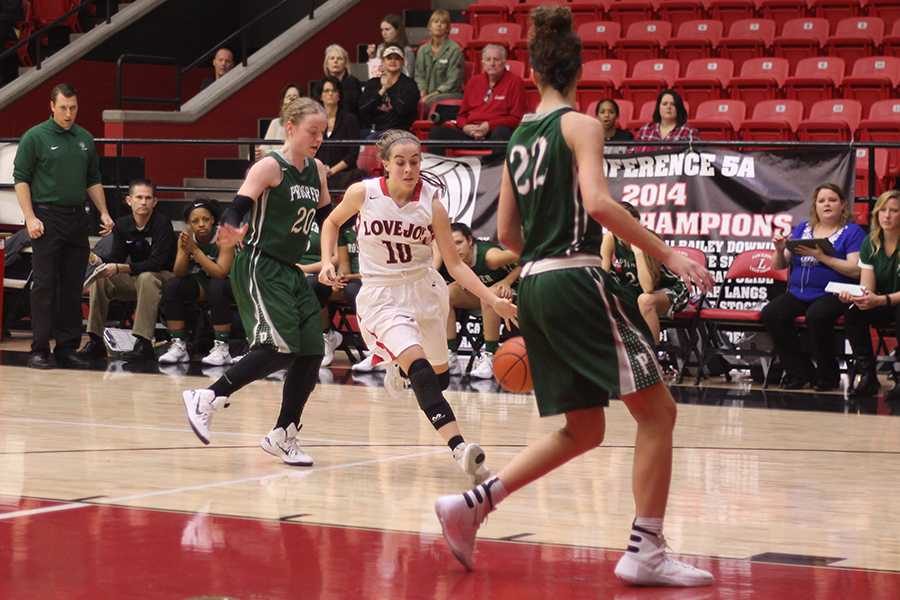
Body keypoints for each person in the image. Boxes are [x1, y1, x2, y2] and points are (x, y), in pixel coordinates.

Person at [434, 7, 715, 588]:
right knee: (658, 412)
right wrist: (671, 255)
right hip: (574, 274)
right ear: (577, 73)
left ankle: (474, 504)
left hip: (533, 280)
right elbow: (600, 204)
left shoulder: (517, 138)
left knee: (585, 428)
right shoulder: (581, 126)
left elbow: (507, 236)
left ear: (533, 75)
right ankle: (647, 548)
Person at [318, 129, 518, 484]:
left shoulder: (432, 204)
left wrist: (492, 300)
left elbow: (456, 266)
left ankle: (399, 367)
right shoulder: (363, 193)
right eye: (401, 162)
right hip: (382, 295)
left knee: (437, 377)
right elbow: (332, 222)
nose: (409, 169)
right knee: (422, 369)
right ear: (385, 165)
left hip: (425, 291)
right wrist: (327, 260)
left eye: (415, 161)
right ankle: (460, 448)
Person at [181, 97, 332, 467]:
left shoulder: (318, 171)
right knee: (279, 348)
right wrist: (229, 232)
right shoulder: (269, 166)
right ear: (291, 127)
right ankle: (208, 397)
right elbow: (236, 207)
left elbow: (329, 217)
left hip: (292, 269)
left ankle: (284, 433)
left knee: (311, 350)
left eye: (323, 133)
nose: (318, 139)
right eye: (313, 131)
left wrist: (333, 257)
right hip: (260, 265)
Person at [13, 83, 114, 369]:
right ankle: (40, 348)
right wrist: (30, 217)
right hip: (46, 217)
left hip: (76, 218)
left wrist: (104, 212)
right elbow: (21, 179)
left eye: (73, 108)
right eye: (63, 108)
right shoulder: (35, 137)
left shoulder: (84, 138)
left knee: (72, 284)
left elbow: (92, 179)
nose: (69, 114)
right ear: (52, 106)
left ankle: (67, 347)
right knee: (45, 284)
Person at [762, 183, 865, 391]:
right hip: (799, 292)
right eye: (822, 201)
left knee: (817, 316)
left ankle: (828, 376)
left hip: (835, 291)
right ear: (815, 206)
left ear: (843, 205)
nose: (827, 204)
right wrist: (780, 250)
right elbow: (779, 265)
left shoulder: (852, 232)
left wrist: (822, 257)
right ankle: (799, 371)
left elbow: (856, 270)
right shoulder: (802, 228)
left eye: (832, 200)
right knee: (772, 313)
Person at [75, 179, 176, 363]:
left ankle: (143, 342)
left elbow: (158, 262)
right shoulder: (122, 225)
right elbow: (117, 257)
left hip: (165, 278)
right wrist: (99, 261)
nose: (143, 202)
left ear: (155, 202)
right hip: (136, 278)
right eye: (139, 197)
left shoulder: (162, 224)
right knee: (101, 279)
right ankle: (95, 340)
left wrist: (123, 268)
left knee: (147, 278)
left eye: (148, 198)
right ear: (129, 200)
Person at [158, 199, 236, 366]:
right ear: (188, 224)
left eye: (206, 219)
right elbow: (179, 272)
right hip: (203, 283)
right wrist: (185, 250)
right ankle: (179, 346)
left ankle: (222, 348)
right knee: (173, 285)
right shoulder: (186, 238)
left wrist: (195, 251)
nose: (201, 224)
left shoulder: (225, 236)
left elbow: (221, 272)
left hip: (233, 284)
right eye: (195, 221)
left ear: (213, 220)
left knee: (217, 285)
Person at [838, 190, 900, 398]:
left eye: (894, 211)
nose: (887, 215)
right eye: (883, 210)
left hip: (895, 302)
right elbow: (867, 288)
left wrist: (881, 300)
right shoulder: (870, 243)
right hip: (883, 302)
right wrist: (858, 297)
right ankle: (867, 376)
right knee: (854, 310)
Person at [601, 202, 689, 343]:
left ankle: (652, 354)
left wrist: (638, 251)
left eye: (630, 224)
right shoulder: (610, 238)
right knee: (601, 294)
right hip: (636, 290)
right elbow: (602, 274)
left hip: (668, 289)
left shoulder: (647, 239)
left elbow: (648, 288)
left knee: (645, 300)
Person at [445, 222, 519, 379]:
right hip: (487, 295)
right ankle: (450, 356)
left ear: (470, 241)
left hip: (514, 291)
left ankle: (490, 357)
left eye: (459, 242)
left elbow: (527, 256)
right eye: (451, 244)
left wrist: (507, 281)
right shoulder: (451, 258)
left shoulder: (490, 257)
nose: (455, 248)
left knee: (489, 297)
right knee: (444, 294)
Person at [428, 44, 526, 159]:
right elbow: (461, 116)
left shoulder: (515, 82)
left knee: (502, 131)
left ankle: (492, 171)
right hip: (471, 133)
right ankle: (438, 172)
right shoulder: (474, 81)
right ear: (483, 63)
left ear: (504, 62)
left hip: (495, 134)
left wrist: (489, 126)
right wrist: (465, 127)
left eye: (496, 59)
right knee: (437, 132)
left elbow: (516, 118)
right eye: (488, 60)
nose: (492, 63)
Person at [315, 76, 364, 191]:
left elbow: (353, 154)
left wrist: (331, 171)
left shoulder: (350, 119)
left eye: (334, 90)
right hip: (319, 172)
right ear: (321, 96)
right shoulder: (315, 120)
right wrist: (321, 169)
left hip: (344, 174)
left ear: (339, 95)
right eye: (326, 91)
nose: (330, 94)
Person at [358, 46, 420, 135]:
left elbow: (404, 110)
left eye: (397, 58)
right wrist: (382, 90)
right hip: (373, 130)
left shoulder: (409, 85)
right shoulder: (372, 83)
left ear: (402, 62)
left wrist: (389, 88)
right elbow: (363, 109)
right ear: (383, 62)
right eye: (389, 58)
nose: (393, 61)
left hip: (400, 131)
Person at [414, 9, 464, 106]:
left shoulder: (454, 49)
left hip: (449, 93)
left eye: (443, 22)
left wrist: (432, 95)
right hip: (427, 94)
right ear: (430, 26)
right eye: (435, 22)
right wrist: (422, 91)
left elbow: (453, 81)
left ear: (448, 28)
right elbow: (419, 76)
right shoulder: (423, 50)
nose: (439, 25)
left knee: (428, 102)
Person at [310, 44, 362, 117]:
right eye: (332, 58)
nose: (335, 61)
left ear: (345, 63)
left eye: (339, 58)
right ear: (326, 64)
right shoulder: (319, 85)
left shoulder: (354, 83)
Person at [255, 84, 301, 160]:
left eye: (295, 97)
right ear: (283, 102)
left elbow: (292, 151)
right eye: (288, 97)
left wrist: (267, 153)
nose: (291, 99)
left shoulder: (304, 124)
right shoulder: (275, 123)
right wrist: (257, 153)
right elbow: (264, 148)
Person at [367, 13, 416, 78]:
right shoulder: (381, 47)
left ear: (397, 30)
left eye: (387, 29)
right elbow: (374, 75)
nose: (383, 33)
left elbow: (408, 76)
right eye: (382, 30)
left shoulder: (407, 50)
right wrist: (372, 57)